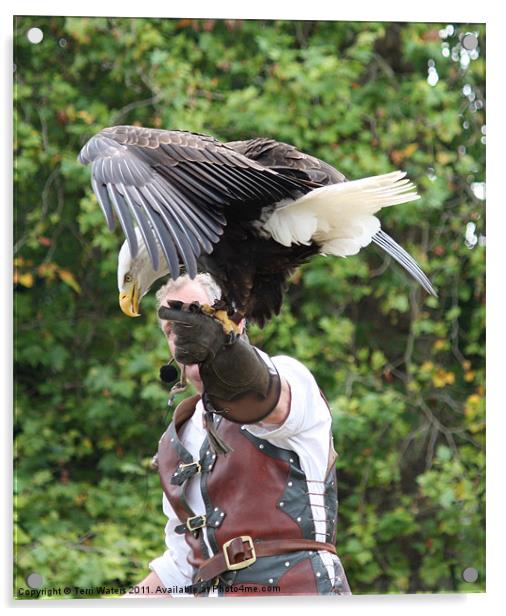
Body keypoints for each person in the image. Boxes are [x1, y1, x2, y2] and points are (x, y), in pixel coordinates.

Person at [130, 273, 351, 598]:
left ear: (237, 320)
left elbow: (269, 402)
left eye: (195, 314)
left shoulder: (289, 378)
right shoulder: (173, 443)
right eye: (171, 327)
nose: (182, 331)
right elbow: (180, 567)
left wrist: (223, 350)